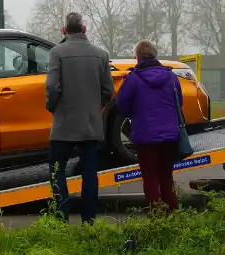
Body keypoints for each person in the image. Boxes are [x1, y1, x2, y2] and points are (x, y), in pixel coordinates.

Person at [44, 12, 114, 224]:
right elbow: (108, 90)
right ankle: (89, 221)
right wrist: (96, 106)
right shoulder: (101, 54)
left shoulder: (57, 52)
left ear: (64, 30)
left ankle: (62, 218)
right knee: (90, 173)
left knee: (57, 170)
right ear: (84, 29)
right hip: (90, 124)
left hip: (64, 124)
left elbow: (52, 86)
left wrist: (52, 107)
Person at [115, 39, 182, 214]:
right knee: (167, 176)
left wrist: (134, 114)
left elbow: (121, 104)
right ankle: (174, 215)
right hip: (169, 136)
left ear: (137, 57)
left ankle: (156, 219)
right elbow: (179, 102)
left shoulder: (133, 78)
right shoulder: (171, 77)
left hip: (145, 137)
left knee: (150, 179)